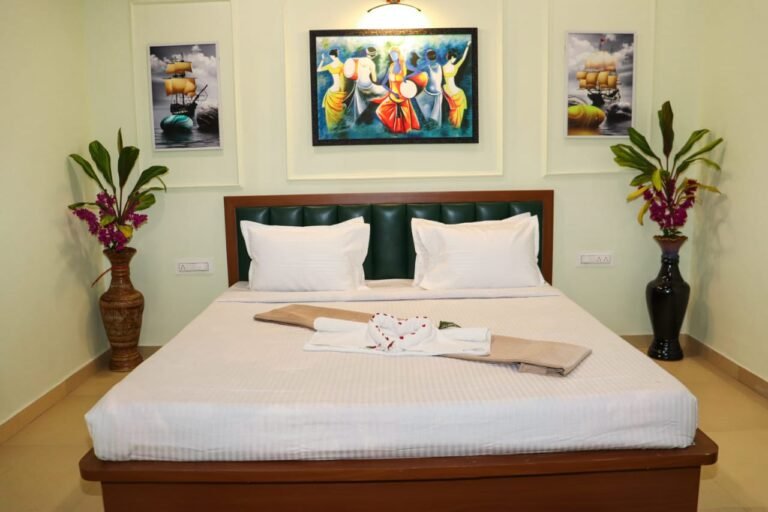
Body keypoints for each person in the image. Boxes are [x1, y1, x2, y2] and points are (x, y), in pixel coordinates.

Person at [374, 47, 420, 134]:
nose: (393, 56)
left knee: (405, 119)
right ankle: (392, 129)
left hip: (403, 97)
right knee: (380, 110)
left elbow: (417, 71)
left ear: (399, 55)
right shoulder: (391, 67)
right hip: (393, 96)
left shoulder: (404, 66)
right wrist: (393, 92)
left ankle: (402, 132)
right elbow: (383, 84)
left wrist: (407, 77)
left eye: (395, 54)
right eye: (391, 54)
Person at [409, 48, 444, 129]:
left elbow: (416, 72)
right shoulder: (439, 66)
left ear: (427, 58)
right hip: (437, 92)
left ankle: (429, 122)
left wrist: (407, 77)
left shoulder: (427, 67)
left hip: (433, 93)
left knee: (418, 97)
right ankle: (430, 122)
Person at [351, 47, 387, 123]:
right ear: (374, 55)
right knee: (386, 92)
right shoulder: (371, 64)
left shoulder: (359, 60)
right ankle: (375, 112)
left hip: (358, 85)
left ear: (366, 53)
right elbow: (374, 79)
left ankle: (366, 113)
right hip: (367, 85)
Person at [442, 41, 471, 129]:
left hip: (446, 89)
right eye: (454, 58)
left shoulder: (443, 67)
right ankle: (456, 123)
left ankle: (453, 122)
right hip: (453, 89)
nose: (455, 60)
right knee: (461, 98)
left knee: (455, 106)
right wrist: (467, 46)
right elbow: (463, 59)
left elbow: (462, 59)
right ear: (451, 58)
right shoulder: (454, 67)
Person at [316, 49, 346, 130]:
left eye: (330, 56)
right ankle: (339, 125)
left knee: (330, 108)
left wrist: (322, 60)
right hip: (339, 89)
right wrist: (342, 90)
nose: (331, 57)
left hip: (334, 89)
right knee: (339, 109)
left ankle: (333, 125)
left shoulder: (330, 65)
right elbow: (344, 80)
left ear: (332, 56)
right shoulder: (342, 65)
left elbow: (318, 69)